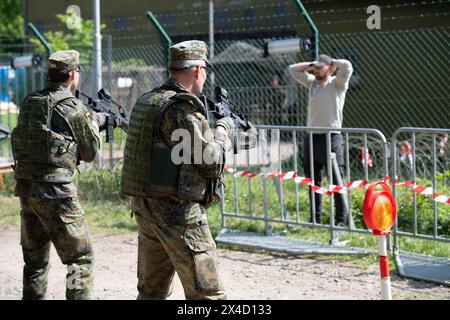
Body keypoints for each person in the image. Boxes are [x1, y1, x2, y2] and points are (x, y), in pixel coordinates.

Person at [121, 40, 241, 300]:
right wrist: (223, 131)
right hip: (178, 212)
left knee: (151, 292)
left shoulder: (148, 100)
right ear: (198, 70)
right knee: (208, 294)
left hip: (146, 207)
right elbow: (211, 162)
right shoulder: (181, 110)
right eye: (205, 71)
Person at [11, 50, 108, 299]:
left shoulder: (30, 101)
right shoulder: (72, 107)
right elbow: (90, 152)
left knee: (34, 262)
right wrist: (96, 123)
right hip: (57, 193)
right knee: (80, 259)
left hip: (27, 190)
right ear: (73, 74)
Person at [288, 54, 353, 226]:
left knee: (337, 180)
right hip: (312, 137)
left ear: (330, 68)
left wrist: (333, 63)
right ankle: (315, 219)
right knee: (313, 181)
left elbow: (346, 66)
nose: (316, 70)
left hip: (331, 137)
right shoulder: (311, 83)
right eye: (315, 68)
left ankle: (341, 219)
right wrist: (310, 65)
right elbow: (292, 70)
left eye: (320, 67)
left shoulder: (337, 84)